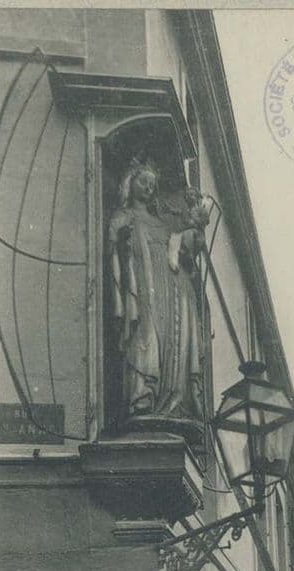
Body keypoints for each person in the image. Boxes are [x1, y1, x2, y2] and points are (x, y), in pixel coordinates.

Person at [109, 160, 208, 431]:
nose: (149, 188)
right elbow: (113, 250)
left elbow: (187, 249)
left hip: (173, 288)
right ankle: (143, 397)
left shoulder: (164, 224)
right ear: (130, 183)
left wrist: (196, 226)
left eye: (153, 185)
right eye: (144, 182)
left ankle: (173, 400)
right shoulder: (123, 217)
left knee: (173, 341)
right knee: (146, 336)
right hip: (144, 286)